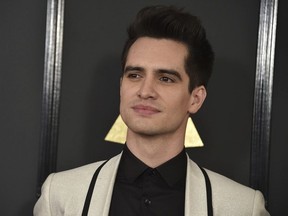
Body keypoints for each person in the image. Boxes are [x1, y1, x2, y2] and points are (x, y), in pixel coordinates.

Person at [34, 5, 270, 216]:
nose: (145, 91)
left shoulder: (242, 207)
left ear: (195, 99)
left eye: (166, 78)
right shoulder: (60, 195)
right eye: (135, 75)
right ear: (121, 87)